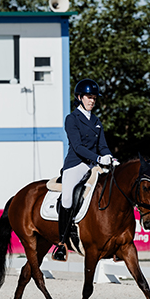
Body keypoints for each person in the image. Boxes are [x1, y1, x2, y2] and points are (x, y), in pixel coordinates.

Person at [52, 79, 114, 261]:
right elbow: (77, 147)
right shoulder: (72, 119)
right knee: (68, 196)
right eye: (89, 97)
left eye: (94, 98)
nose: (92, 101)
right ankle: (61, 244)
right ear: (79, 98)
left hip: (94, 165)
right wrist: (98, 158)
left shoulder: (96, 120)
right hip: (76, 164)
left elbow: (103, 145)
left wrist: (109, 157)